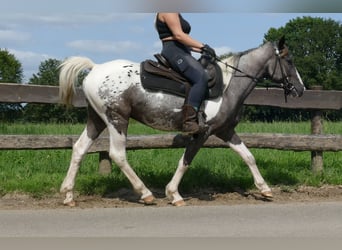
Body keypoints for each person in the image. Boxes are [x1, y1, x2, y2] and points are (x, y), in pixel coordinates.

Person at [155, 12, 216, 134]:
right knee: (200, 77)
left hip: (182, 49)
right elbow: (178, 35)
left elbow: (183, 40)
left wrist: (203, 50)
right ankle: (189, 121)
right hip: (173, 50)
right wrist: (203, 46)